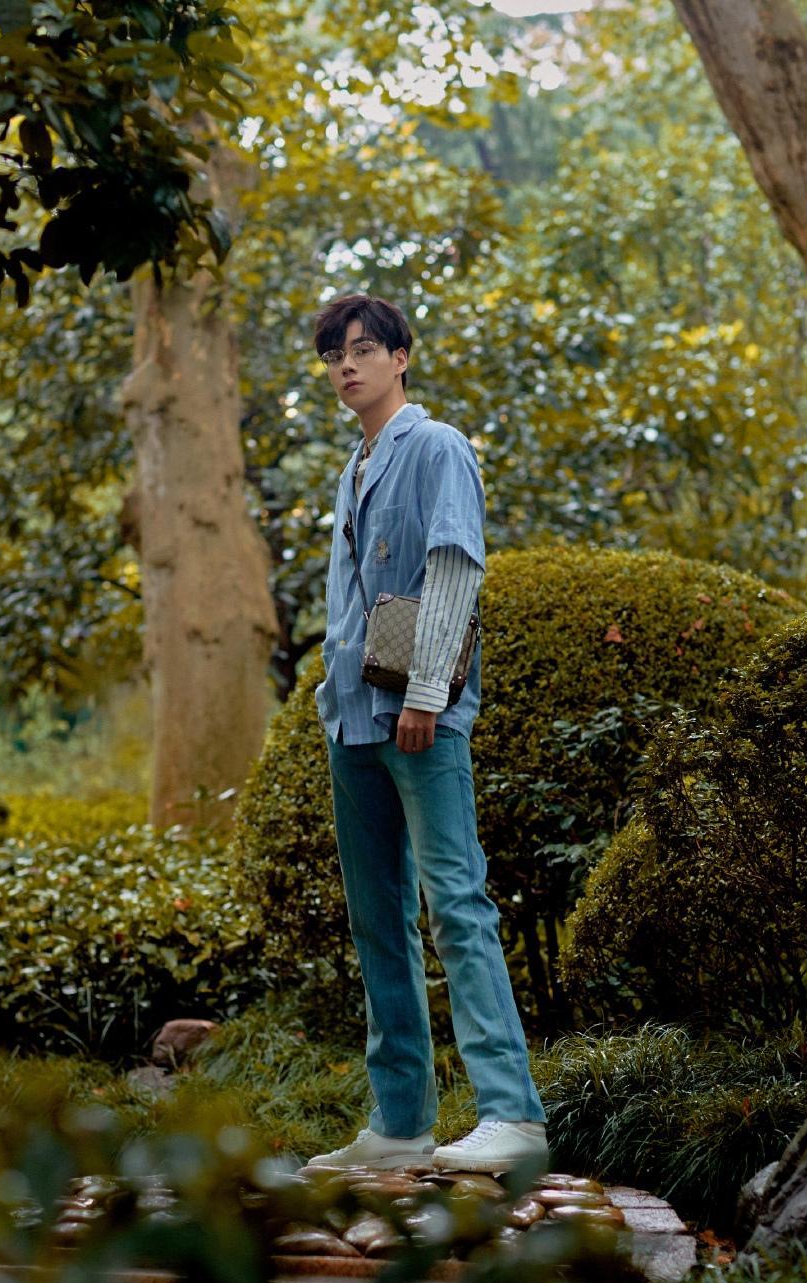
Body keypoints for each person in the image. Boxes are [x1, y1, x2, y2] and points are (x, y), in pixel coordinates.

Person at [305, 293, 547, 1176]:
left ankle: (512, 1116)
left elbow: (453, 565)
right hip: (351, 716)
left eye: (364, 348)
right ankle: (402, 1123)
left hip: (418, 714)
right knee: (379, 920)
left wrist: (427, 694)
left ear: (401, 357)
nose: (347, 365)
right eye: (334, 354)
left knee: (456, 904)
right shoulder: (355, 464)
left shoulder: (436, 445)